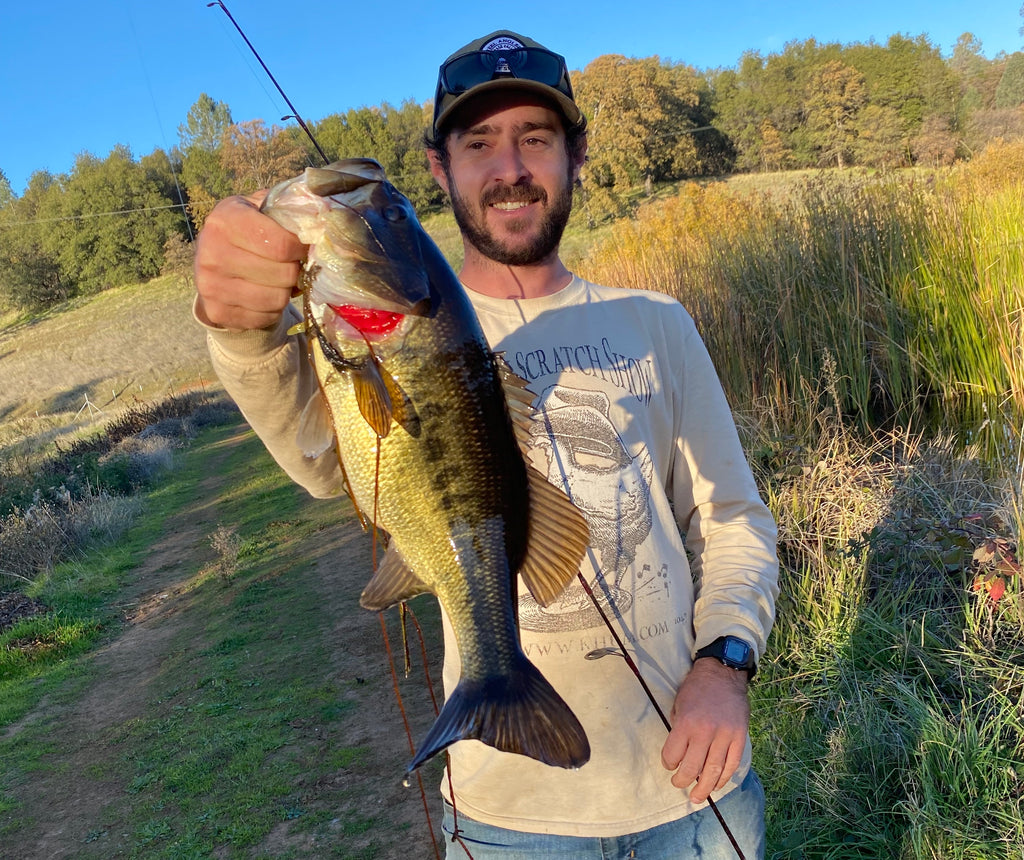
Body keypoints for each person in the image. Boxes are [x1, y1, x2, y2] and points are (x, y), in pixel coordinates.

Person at [193, 30, 779, 859]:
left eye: (534, 138)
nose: (509, 167)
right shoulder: (378, 332)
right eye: (478, 143)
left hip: (691, 786)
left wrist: (725, 666)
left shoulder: (658, 322)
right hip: (512, 815)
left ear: (575, 154)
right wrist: (241, 329)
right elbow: (325, 462)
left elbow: (734, 522)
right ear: (440, 167)